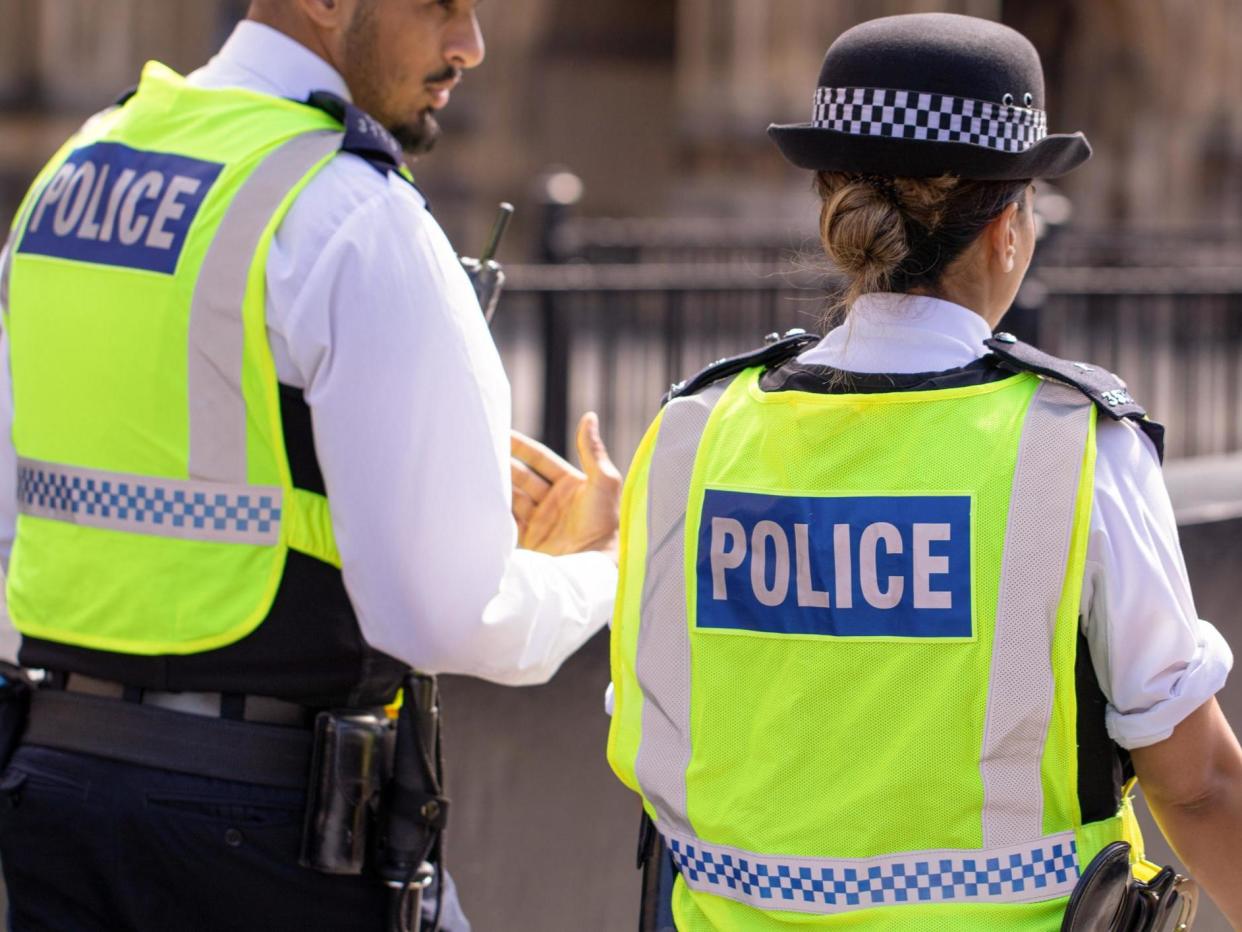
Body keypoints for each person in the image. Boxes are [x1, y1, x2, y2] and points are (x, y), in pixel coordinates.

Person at [607, 12, 1242, 930]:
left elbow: (646, 723)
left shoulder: (689, 432)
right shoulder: (1070, 445)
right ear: (1010, 228)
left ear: (836, 213)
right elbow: (1200, 785)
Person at [0, 1, 621, 929]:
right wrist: (592, 569)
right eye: (441, 5)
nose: (471, 45)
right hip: (265, 830)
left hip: (54, 794)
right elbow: (451, 617)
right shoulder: (350, 209)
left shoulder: (75, 174)